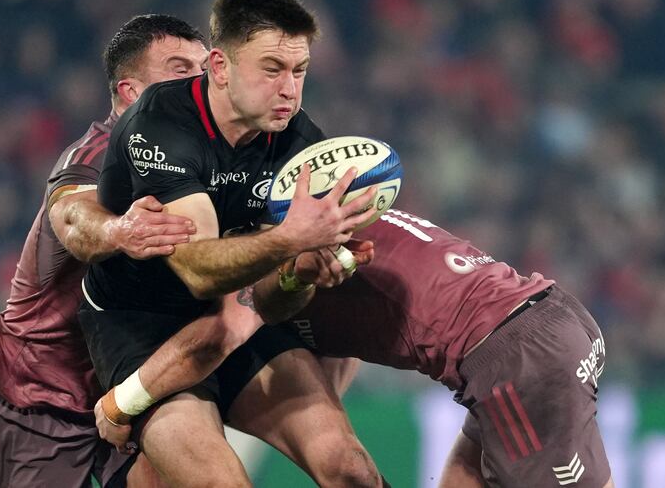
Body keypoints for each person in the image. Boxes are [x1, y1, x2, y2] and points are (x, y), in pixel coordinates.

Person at [79, 0, 386, 487]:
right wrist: (290, 241)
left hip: (235, 323)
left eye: (299, 71)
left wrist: (301, 273)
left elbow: (270, 300)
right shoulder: (160, 124)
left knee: (350, 469)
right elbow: (199, 272)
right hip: (140, 327)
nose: (289, 89)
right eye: (272, 69)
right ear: (219, 68)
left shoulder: (301, 142)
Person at [100, 208, 615, 488]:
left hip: (513, 356)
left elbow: (212, 338)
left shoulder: (279, 251)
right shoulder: (335, 221)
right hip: (544, 322)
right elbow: (347, 345)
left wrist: (120, 403)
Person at [0, 14, 207, 488]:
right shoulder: (96, 155)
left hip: (130, 376)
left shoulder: (199, 161)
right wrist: (121, 229)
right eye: (181, 69)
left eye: (204, 70)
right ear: (130, 92)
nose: (200, 83)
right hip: (46, 388)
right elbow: (73, 217)